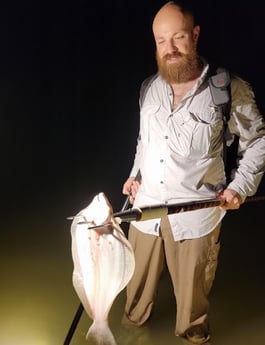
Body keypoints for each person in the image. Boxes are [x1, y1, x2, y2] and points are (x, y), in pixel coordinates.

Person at [121, 1, 265, 344]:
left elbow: (257, 142)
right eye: (161, 41)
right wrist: (134, 175)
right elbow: (146, 141)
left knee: (192, 313)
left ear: (195, 35)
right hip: (145, 211)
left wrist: (240, 187)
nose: (169, 49)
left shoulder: (227, 89)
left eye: (178, 38)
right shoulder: (149, 88)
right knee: (133, 300)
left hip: (196, 216)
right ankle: (129, 334)